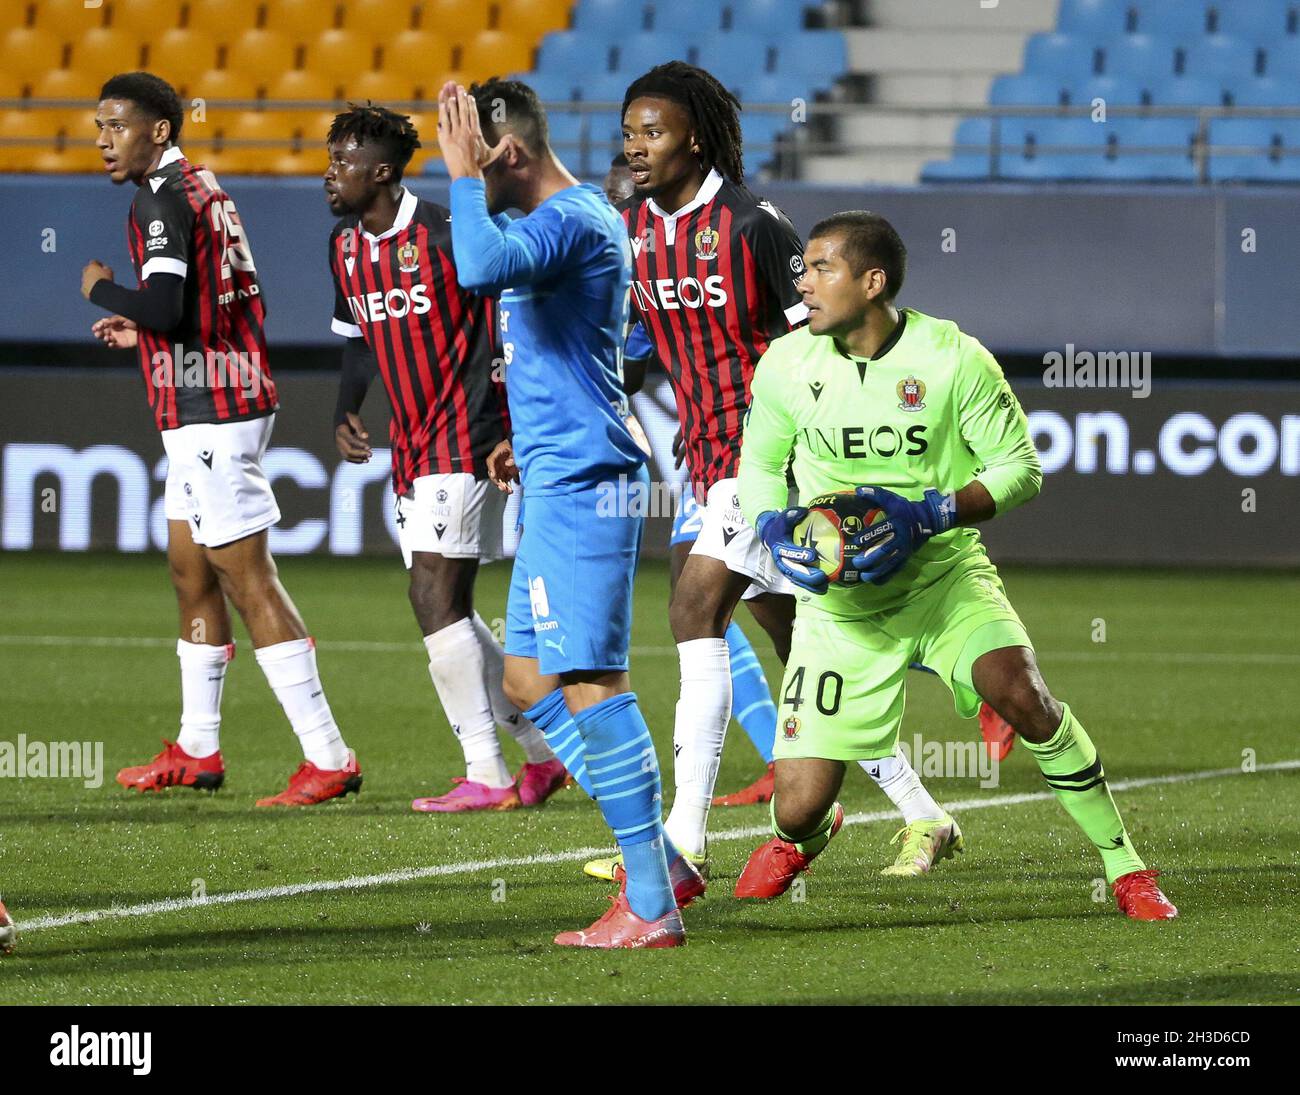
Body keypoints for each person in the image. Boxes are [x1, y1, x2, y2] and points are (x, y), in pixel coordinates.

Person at [733, 210, 1177, 920]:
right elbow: (757, 466)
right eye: (803, 269)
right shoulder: (787, 363)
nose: (804, 283)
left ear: (872, 281)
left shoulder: (953, 357)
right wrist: (770, 523)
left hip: (943, 579)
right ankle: (802, 836)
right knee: (798, 803)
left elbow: (1020, 469)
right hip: (839, 608)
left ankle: (1126, 867)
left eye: (822, 269)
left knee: (1026, 695)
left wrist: (928, 514)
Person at [596, 61, 961, 882]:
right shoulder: (639, 226)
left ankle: (680, 842)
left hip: (775, 461)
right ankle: (923, 811)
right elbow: (656, 343)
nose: (637, 147)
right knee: (806, 648)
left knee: (694, 606)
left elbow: (825, 342)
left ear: (694, 136)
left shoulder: (753, 226)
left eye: (652, 132)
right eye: (628, 134)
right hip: (707, 457)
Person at [438, 76, 703, 947]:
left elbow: (475, 267)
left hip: (589, 482)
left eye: (477, 157)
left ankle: (652, 899)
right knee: (525, 683)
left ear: (505, 153)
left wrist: (454, 175)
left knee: (592, 681)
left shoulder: (574, 219)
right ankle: (657, 857)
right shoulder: (549, 223)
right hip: (557, 475)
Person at [85, 72, 360, 806]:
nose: (104, 139)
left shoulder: (160, 199)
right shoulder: (203, 186)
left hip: (213, 406)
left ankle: (327, 754)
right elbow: (207, 296)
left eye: (117, 125)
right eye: (99, 126)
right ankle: (198, 748)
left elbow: (170, 306)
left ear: (161, 130)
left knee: (247, 576)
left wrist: (103, 293)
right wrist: (139, 323)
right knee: (191, 568)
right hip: (211, 394)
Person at [324, 103, 564, 812]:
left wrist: (510, 429)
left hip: (468, 434)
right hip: (411, 443)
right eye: (330, 158)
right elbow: (357, 338)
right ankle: (544, 755)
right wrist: (346, 408)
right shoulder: (343, 247)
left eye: (344, 161)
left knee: (433, 596)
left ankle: (486, 773)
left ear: (385, 171)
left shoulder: (447, 232)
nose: (330, 173)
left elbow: (506, 333)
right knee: (447, 607)